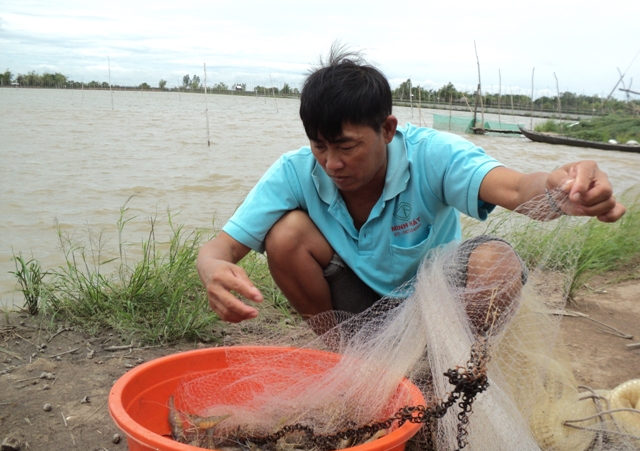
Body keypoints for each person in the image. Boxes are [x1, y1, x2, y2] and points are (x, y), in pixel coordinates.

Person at [196, 48, 626, 332]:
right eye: (320, 146)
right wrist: (212, 270)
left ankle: (462, 375)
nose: (332, 163)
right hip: (356, 301)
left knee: (496, 261)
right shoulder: (296, 170)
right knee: (285, 233)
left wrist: (562, 188)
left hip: (435, 299)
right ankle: (344, 359)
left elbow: (515, 189)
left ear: (386, 129)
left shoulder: (433, 154)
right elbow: (218, 249)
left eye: (346, 146)